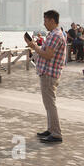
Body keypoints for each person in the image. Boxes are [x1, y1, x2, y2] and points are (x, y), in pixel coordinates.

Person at [24, 10, 66, 143]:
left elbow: (48, 55)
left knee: (50, 104)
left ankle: (56, 133)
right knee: (48, 104)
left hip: (49, 73)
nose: (44, 23)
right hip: (49, 72)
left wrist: (34, 46)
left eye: (45, 20)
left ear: (52, 21)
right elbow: (47, 52)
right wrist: (35, 46)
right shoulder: (55, 34)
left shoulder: (55, 35)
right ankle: (51, 129)